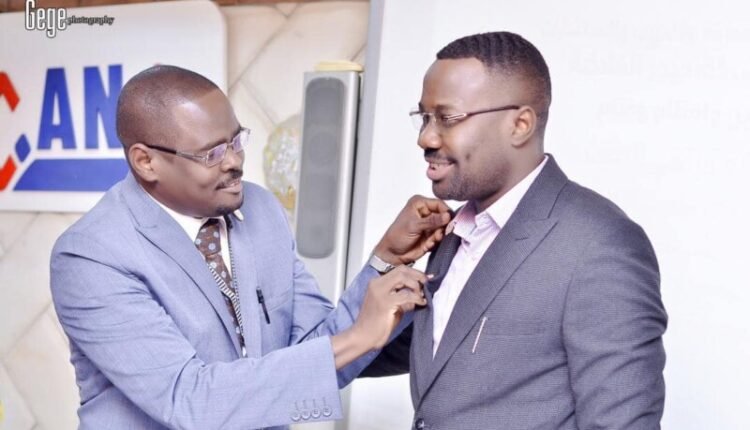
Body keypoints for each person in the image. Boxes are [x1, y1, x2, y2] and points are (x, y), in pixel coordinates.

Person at [49, 65, 451, 430]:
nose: (234, 161)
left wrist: (385, 259)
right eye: (211, 153)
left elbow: (316, 352)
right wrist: (359, 337)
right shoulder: (91, 256)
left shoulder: (261, 210)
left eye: (236, 140)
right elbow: (190, 402)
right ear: (145, 161)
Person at [365, 31, 668, 429]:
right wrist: (384, 260)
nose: (426, 137)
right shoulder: (451, 235)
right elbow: (369, 350)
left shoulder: (599, 245)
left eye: (447, 118)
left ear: (520, 124)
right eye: (423, 117)